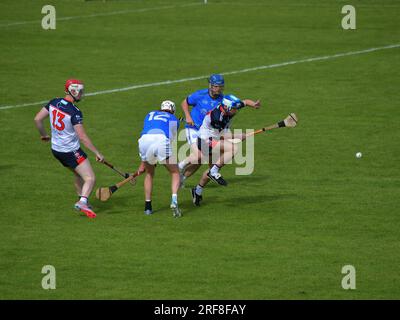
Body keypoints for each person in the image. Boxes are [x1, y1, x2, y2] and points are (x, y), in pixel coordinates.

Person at [34, 79, 104, 218]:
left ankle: (82, 199)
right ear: (73, 91)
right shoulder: (74, 112)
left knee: (78, 174)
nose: (82, 94)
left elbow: (37, 119)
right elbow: (83, 137)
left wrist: (44, 135)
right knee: (90, 178)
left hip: (56, 150)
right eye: (80, 91)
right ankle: (83, 202)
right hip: (70, 151)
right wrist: (97, 153)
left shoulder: (54, 102)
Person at [179, 74, 260, 186]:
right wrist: (188, 116)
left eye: (221, 87)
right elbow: (184, 102)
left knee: (203, 160)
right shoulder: (200, 95)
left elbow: (243, 102)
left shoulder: (224, 100)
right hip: (194, 128)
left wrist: (253, 104)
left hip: (211, 132)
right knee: (199, 156)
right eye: (217, 86)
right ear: (211, 86)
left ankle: (182, 178)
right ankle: (179, 167)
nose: (219, 89)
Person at [180, 95, 247, 206]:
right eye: (234, 109)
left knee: (214, 167)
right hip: (205, 141)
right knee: (234, 148)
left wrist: (251, 104)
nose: (236, 111)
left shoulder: (228, 110)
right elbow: (222, 136)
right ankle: (183, 166)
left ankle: (197, 191)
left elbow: (243, 103)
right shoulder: (217, 117)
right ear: (227, 107)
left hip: (213, 139)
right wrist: (238, 136)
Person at [138, 100, 182, 217]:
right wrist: (159, 155)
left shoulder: (149, 114)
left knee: (149, 173)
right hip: (161, 140)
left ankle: (148, 207)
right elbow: (171, 140)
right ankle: (174, 200)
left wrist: (143, 164)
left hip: (144, 141)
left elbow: (147, 131)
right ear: (172, 110)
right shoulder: (174, 119)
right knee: (175, 172)